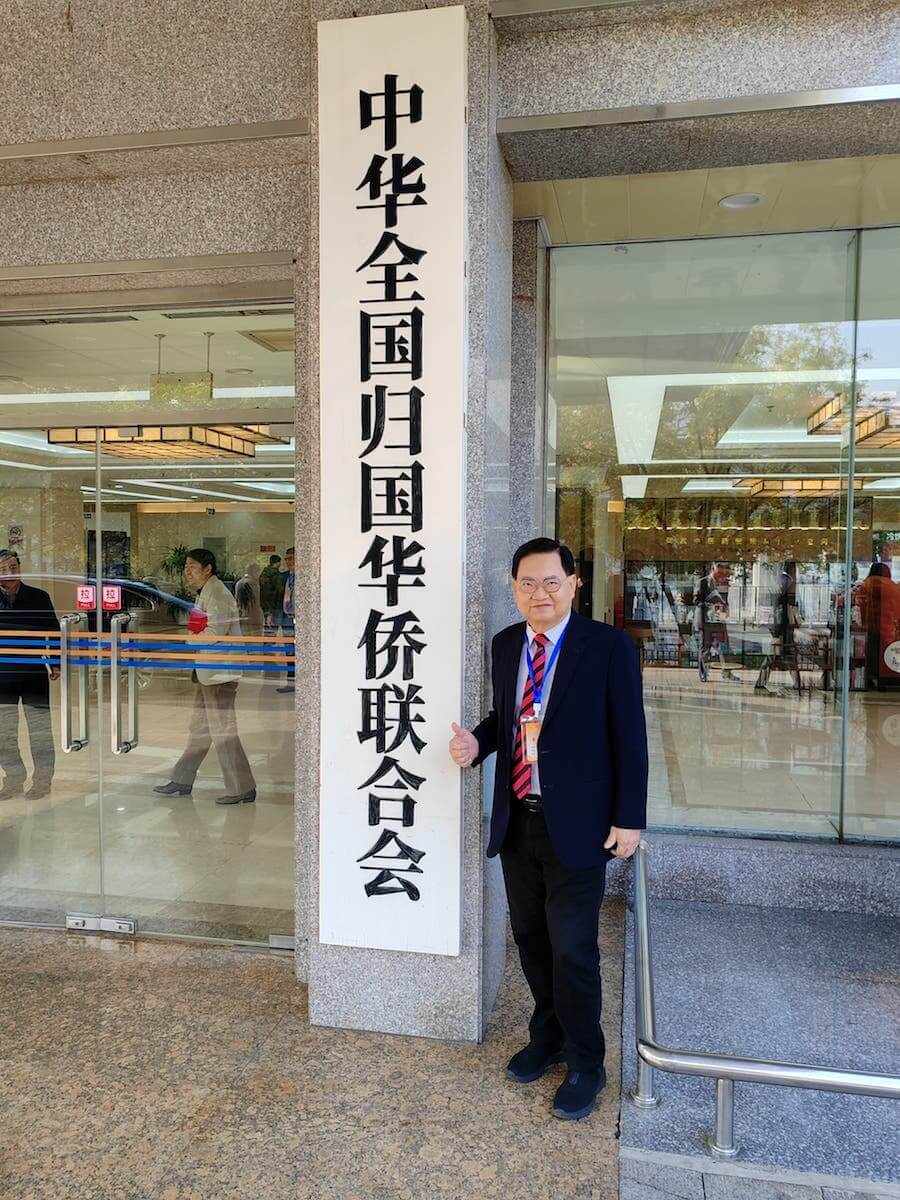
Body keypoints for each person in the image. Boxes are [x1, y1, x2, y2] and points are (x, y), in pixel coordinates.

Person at [448, 537, 648, 1122]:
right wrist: (477, 744)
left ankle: (587, 1062)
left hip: (580, 826)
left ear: (573, 583)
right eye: (528, 584)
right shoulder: (507, 643)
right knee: (531, 939)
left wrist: (629, 818)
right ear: (514, 588)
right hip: (518, 819)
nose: (540, 593)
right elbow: (507, 718)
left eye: (551, 582)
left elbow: (629, 737)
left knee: (574, 950)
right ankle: (549, 1036)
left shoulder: (607, 647)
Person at [153, 548, 256, 806]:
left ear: (208, 568)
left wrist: (189, 639)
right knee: (200, 728)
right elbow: (197, 628)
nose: (187, 571)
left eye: (192, 566)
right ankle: (182, 779)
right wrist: (192, 636)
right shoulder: (205, 592)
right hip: (207, 670)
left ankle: (242, 787)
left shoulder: (217, 594)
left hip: (219, 673)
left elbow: (213, 633)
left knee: (223, 731)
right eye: (185, 566)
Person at [0, 550, 59, 800]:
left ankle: (42, 781)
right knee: (4, 732)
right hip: (2, 676)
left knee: (40, 730)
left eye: (14, 567)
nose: (10, 573)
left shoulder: (38, 597)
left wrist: (55, 662)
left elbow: (53, 632)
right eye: (3, 569)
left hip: (33, 672)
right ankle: (13, 779)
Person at [276, 546, 295, 694]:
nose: (288, 561)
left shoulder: (305, 577)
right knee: (289, 652)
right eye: (286, 559)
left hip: (299, 620)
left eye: (291, 558)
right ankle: (291, 682)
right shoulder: (287, 577)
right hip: (287, 619)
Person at [235, 562, 263, 638]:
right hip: (253, 617)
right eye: (258, 572)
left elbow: (237, 601)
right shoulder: (253, 583)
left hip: (241, 616)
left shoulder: (238, 583)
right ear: (254, 572)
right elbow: (256, 602)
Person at [259, 553, 282, 631]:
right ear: (278, 563)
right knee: (273, 629)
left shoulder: (263, 574)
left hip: (263, 605)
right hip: (274, 606)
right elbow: (279, 592)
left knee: (266, 629)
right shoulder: (276, 575)